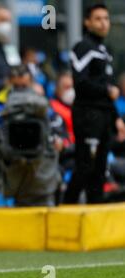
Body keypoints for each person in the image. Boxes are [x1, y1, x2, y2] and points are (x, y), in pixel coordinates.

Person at [0, 65, 61, 207]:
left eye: (24, 86)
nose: (20, 90)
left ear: (32, 84)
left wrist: (57, 140)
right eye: (16, 86)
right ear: (7, 83)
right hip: (3, 161)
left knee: (56, 175)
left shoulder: (42, 105)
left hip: (37, 160)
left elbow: (57, 130)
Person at [63, 4, 125, 204]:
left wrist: (116, 118)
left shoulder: (104, 51)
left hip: (104, 117)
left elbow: (107, 91)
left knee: (99, 168)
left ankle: (94, 212)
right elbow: (80, 83)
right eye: (98, 18)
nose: (103, 22)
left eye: (106, 18)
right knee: (85, 166)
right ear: (87, 22)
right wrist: (107, 91)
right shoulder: (83, 47)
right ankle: (67, 209)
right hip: (88, 116)